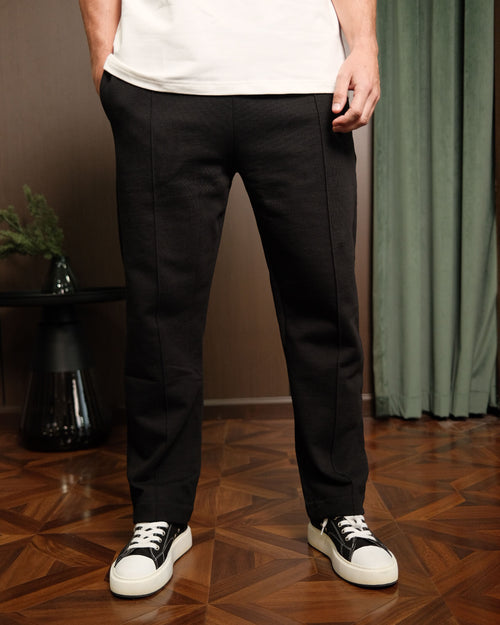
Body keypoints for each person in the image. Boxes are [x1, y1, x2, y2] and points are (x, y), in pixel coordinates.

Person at [79, 0, 398, 599]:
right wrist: (106, 58)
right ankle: (160, 515)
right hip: (161, 83)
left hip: (305, 84)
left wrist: (364, 45)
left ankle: (337, 510)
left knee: (325, 308)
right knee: (160, 315)